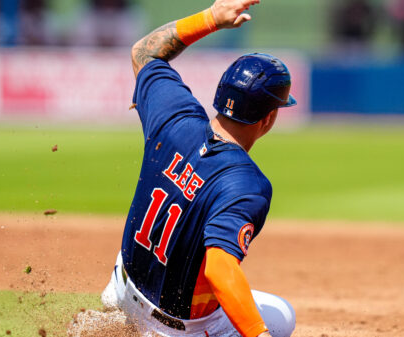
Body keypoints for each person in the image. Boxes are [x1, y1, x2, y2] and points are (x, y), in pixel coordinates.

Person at [101, 0, 297, 336]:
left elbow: (144, 53)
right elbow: (220, 270)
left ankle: (115, 315)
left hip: (122, 288)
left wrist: (211, 18)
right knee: (282, 317)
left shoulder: (174, 116)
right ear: (269, 118)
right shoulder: (248, 184)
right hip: (173, 328)